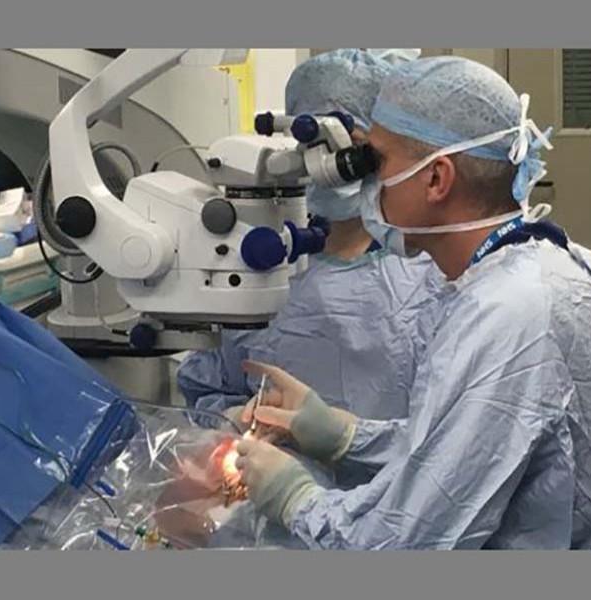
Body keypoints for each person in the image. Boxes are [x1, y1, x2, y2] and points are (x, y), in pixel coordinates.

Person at [234, 56, 591, 549]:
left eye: (374, 162)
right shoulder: (561, 264)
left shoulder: (505, 315)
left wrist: (295, 498)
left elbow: (401, 547)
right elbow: (474, 452)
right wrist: (346, 438)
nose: (361, 184)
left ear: (436, 179)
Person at [177, 49, 443, 444]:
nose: (327, 162)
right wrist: (235, 418)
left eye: (349, 148)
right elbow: (206, 388)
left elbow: (458, 432)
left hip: (399, 499)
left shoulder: (432, 276)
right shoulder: (253, 266)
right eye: (311, 144)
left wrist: (346, 441)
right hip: (269, 492)